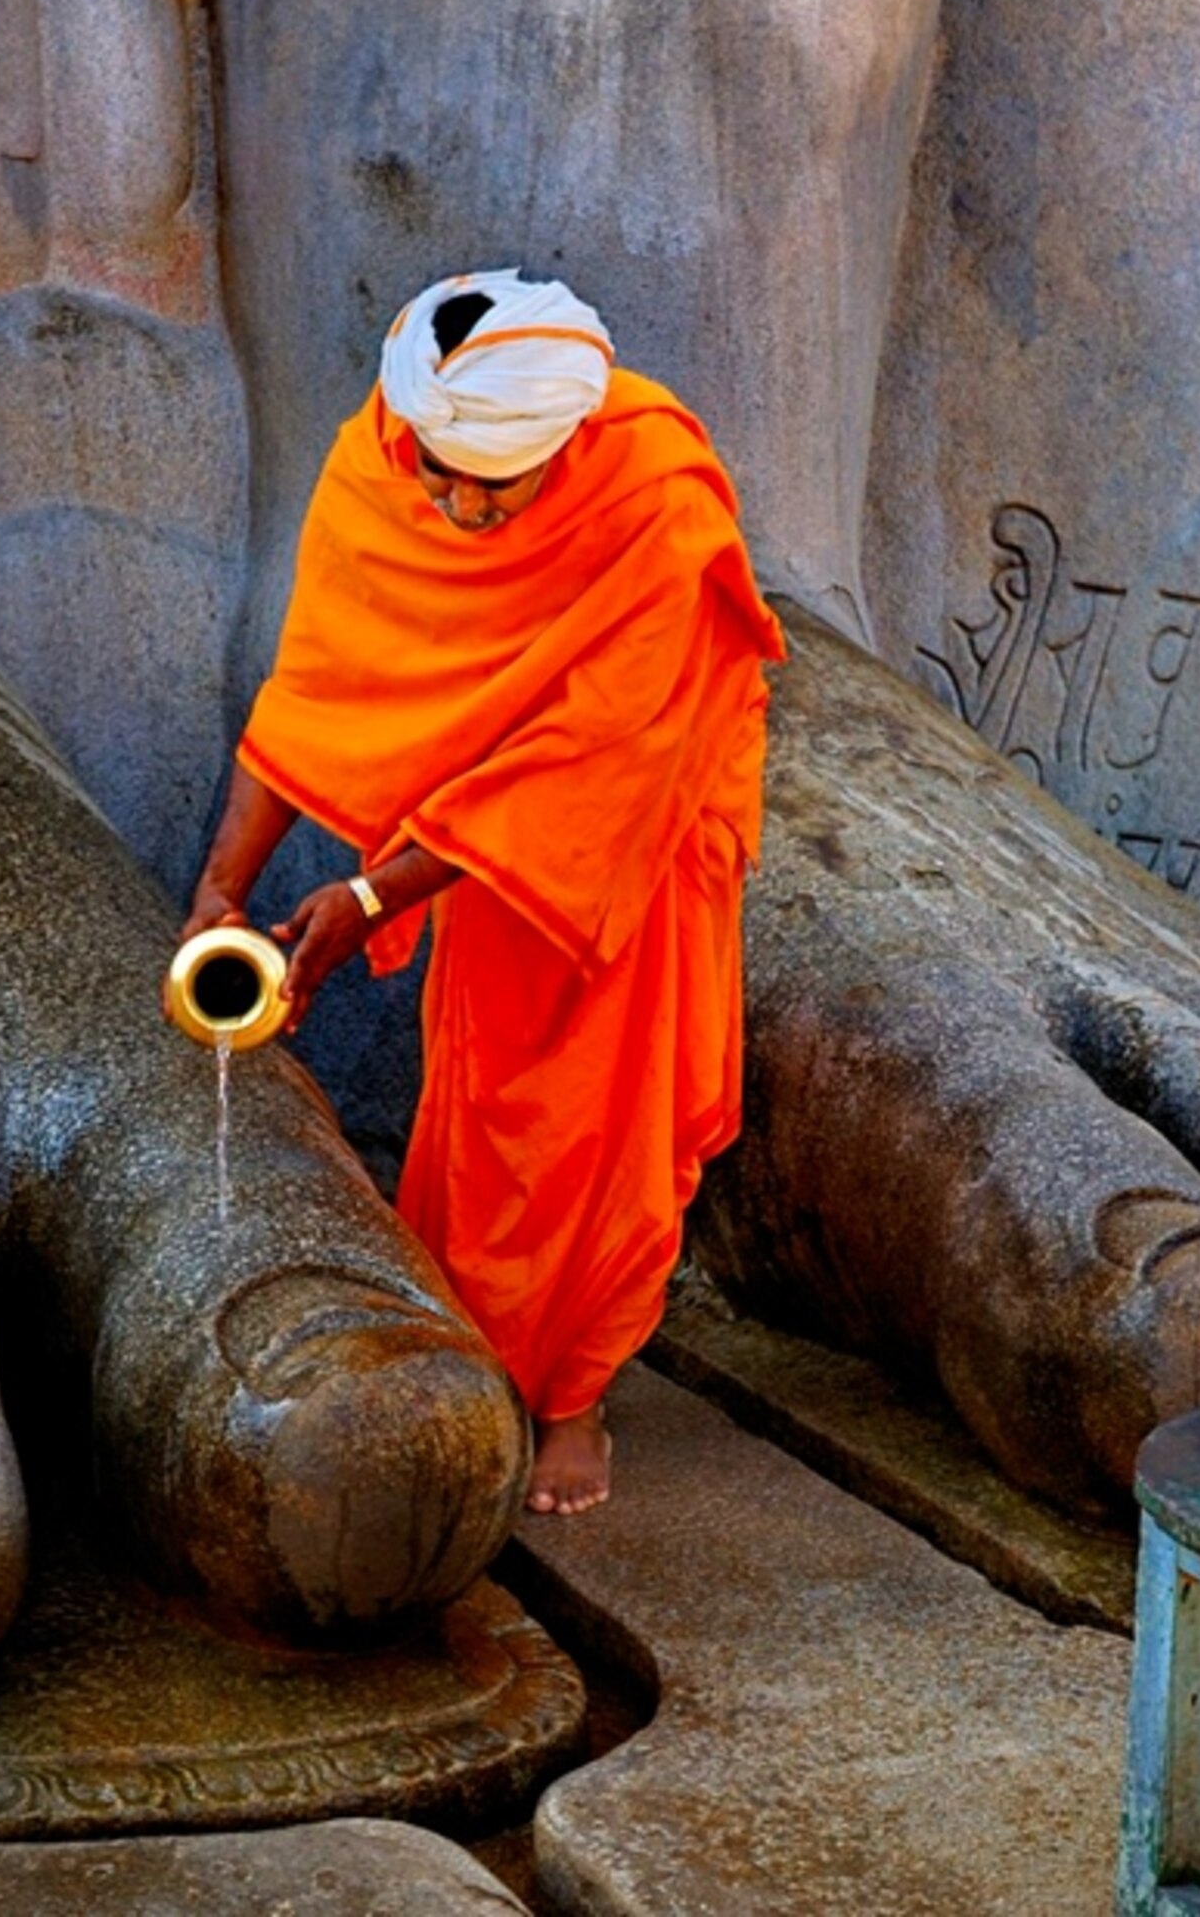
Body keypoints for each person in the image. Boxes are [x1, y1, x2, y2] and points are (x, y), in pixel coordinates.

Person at [184, 269, 786, 1516]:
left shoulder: (657, 506)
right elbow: (320, 685)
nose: (457, 506)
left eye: (493, 488)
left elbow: (586, 761)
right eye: (440, 474)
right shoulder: (379, 459)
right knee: (489, 1101)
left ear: (565, 446)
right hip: (478, 841)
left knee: (605, 1120)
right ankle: (483, 1348)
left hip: (640, 820)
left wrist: (369, 894)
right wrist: (218, 893)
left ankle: (577, 1396)